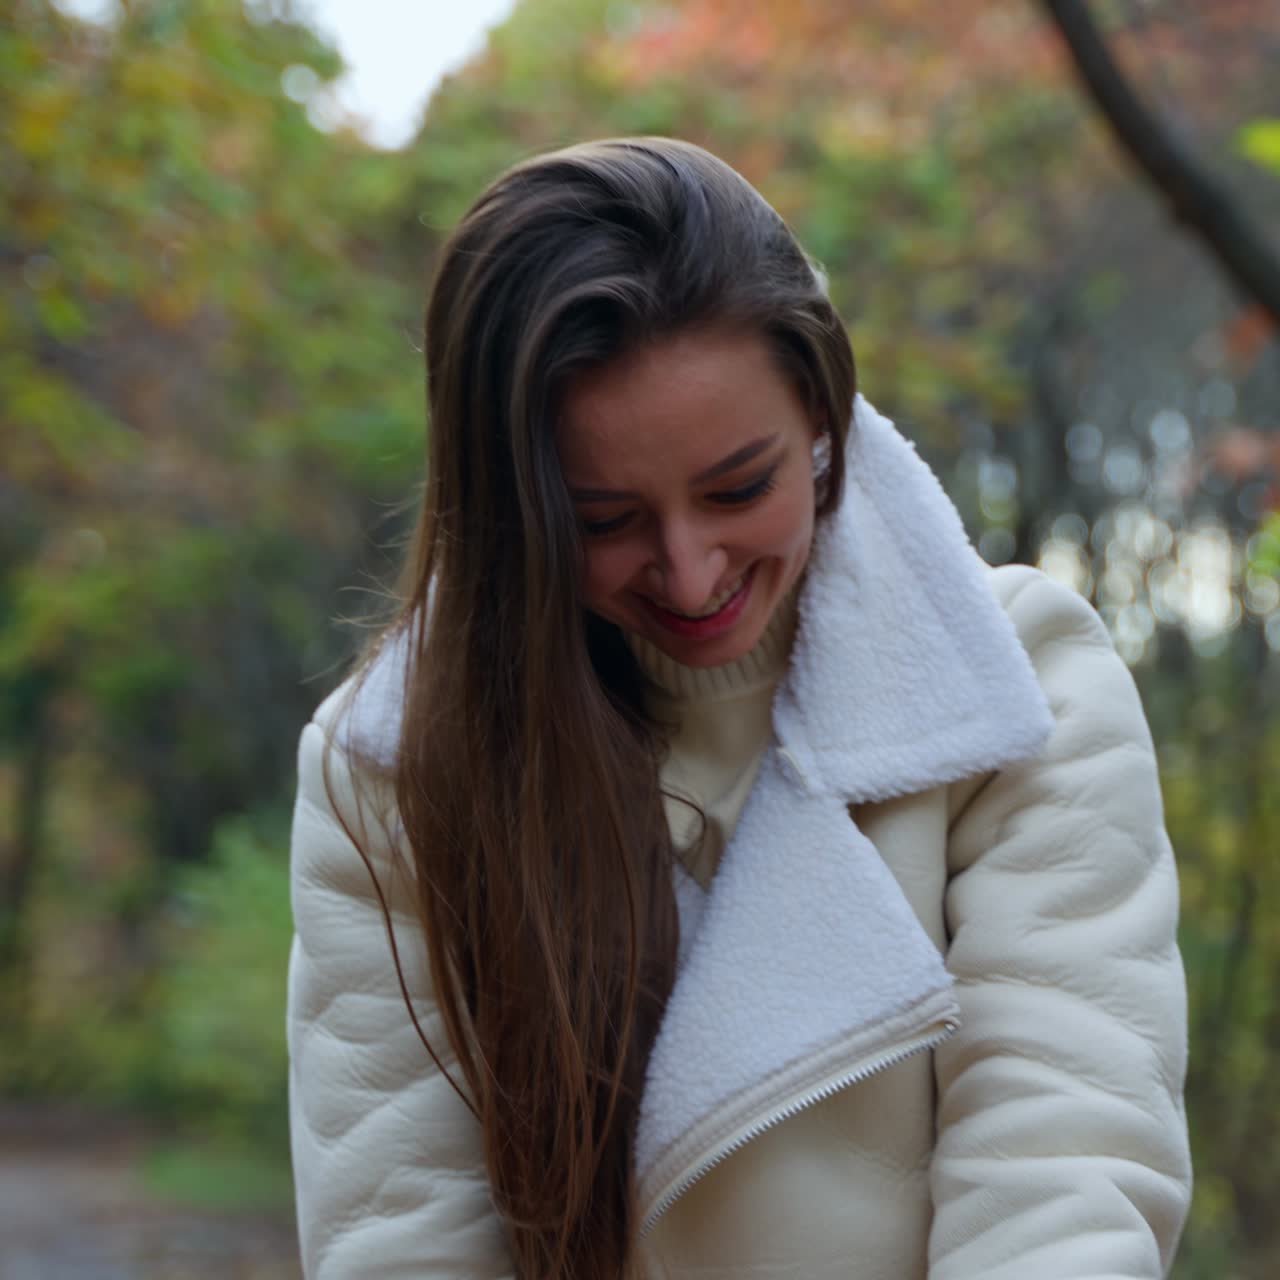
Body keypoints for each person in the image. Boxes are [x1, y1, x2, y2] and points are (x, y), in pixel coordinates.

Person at [286, 137, 1192, 1279]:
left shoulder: (1021, 683)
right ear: (513, 509)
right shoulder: (392, 769)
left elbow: (1065, 1163)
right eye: (603, 520)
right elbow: (400, 1224)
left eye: (737, 486)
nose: (688, 569)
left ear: (820, 412)